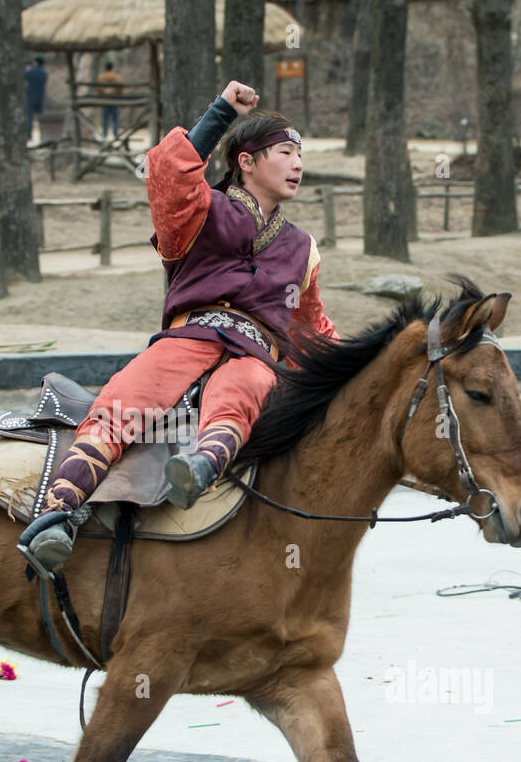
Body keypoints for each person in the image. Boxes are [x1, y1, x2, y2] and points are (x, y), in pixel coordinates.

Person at [23, 80, 339, 571]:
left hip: (256, 352)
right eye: (284, 153)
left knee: (247, 389)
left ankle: (198, 469)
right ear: (247, 162)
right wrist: (221, 111)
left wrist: (362, 368)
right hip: (189, 336)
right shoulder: (198, 211)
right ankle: (56, 516)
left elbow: (312, 330)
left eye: (301, 155)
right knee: (123, 402)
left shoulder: (304, 248)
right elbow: (168, 169)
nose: (298, 164)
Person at [96, 61, 124, 140]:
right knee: (115, 118)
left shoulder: (101, 76)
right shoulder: (116, 76)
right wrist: (118, 94)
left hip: (105, 100)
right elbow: (121, 87)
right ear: (112, 67)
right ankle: (116, 134)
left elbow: (98, 88)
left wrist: (101, 94)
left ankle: (104, 134)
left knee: (105, 118)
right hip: (114, 99)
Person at [25, 56, 49, 141]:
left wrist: (27, 70)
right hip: (41, 96)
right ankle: (44, 134)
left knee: (29, 117)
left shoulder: (30, 72)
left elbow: (24, 77)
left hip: (30, 96)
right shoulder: (44, 73)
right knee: (41, 117)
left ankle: (29, 136)